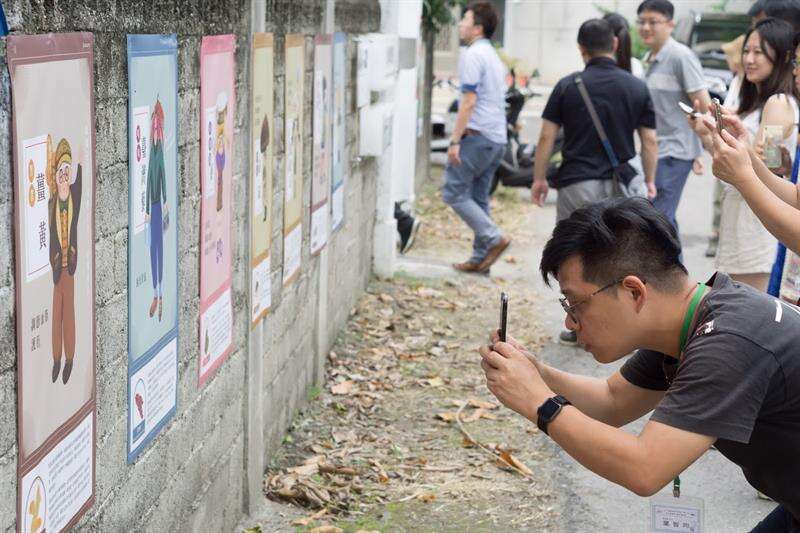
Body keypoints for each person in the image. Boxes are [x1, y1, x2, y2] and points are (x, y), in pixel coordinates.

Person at [478, 197, 800, 530]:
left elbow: (645, 469)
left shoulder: (729, 342)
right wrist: (537, 373)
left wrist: (539, 403)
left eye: (575, 304)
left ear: (634, 291)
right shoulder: (695, 319)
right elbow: (612, 401)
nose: (570, 324)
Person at [531, 18, 657, 345]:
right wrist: (651, 180)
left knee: (575, 257)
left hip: (577, 184)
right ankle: (628, 328)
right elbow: (650, 141)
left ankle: (578, 324)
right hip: (621, 189)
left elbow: (546, 136)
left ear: (581, 48)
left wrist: (539, 177)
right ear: (615, 45)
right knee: (620, 254)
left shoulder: (567, 86)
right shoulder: (636, 86)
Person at [691, 18, 798, 292]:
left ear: (783, 56)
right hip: (746, 213)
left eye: (759, 52)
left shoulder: (778, 103)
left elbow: (770, 163)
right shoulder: (752, 100)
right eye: (747, 51)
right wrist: (708, 133)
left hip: (759, 221)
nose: (749, 59)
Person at [443, 1, 510, 274]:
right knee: (479, 198)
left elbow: (468, 101)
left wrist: (455, 140)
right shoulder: (493, 56)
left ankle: (494, 238)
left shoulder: (472, 55)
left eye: (465, 20)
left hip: (478, 136)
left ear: (478, 28)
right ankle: (480, 259)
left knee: (453, 192)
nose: (460, 24)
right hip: (497, 139)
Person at [637, 0, 711, 238]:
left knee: (657, 220)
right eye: (642, 22)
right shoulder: (650, 58)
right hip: (658, 150)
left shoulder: (680, 56)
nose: (646, 27)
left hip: (675, 152)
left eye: (653, 22)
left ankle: (667, 274)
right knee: (663, 218)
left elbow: (704, 105)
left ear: (671, 24)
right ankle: (678, 273)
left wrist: (699, 148)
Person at [48, 136, 83, 385]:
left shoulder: (74, 197)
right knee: (56, 314)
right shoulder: (51, 203)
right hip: (56, 269)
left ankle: (70, 360)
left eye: (67, 170)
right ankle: (56, 360)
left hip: (69, 269)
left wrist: (79, 156)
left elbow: (81, 178)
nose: (64, 175)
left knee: (68, 314)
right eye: (61, 170)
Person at [145, 98, 168, 322]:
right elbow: (146, 184)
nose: (154, 130)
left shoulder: (159, 153)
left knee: (160, 249)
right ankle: (155, 293)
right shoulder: (151, 154)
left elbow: (163, 180)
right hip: (151, 208)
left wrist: (166, 202)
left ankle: (161, 293)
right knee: (152, 250)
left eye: (157, 125)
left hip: (159, 207)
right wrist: (145, 210)